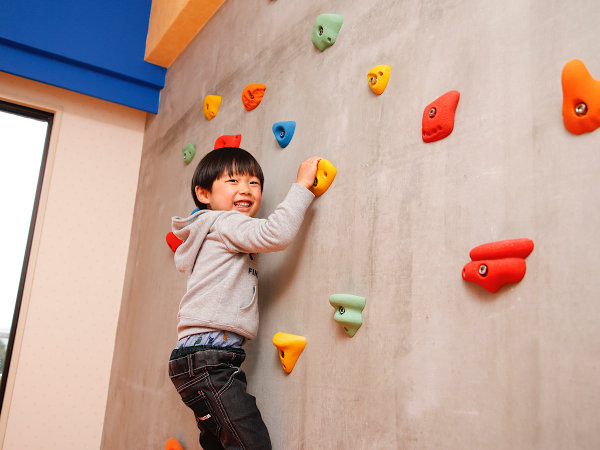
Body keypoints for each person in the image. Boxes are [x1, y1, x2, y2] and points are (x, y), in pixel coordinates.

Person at [168, 147, 321, 449]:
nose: (246, 189)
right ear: (203, 194)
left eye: (254, 183)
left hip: (198, 359)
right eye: (233, 181)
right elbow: (276, 234)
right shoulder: (226, 222)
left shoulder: (215, 229)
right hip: (209, 361)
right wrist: (302, 186)